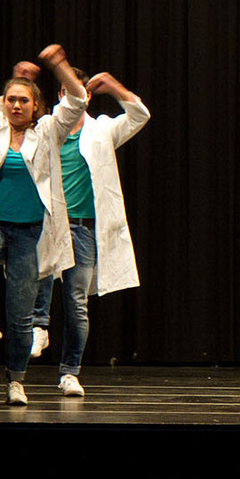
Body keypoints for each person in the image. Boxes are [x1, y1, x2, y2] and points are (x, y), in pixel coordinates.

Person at [0, 35, 88, 406]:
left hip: (30, 233)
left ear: (36, 105)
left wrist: (59, 65)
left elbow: (77, 99)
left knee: (22, 316)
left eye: (24, 100)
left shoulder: (49, 131)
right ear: (3, 102)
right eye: (11, 99)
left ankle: (16, 380)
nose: (16, 105)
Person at [24, 68, 151, 398]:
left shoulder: (102, 130)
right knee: (36, 281)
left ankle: (69, 372)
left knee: (76, 303)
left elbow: (140, 115)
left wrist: (114, 87)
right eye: (65, 91)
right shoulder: (46, 127)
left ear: (88, 96)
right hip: (49, 223)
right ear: (60, 96)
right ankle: (39, 326)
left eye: (78, 91)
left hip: (83, 229)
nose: (71, 96)